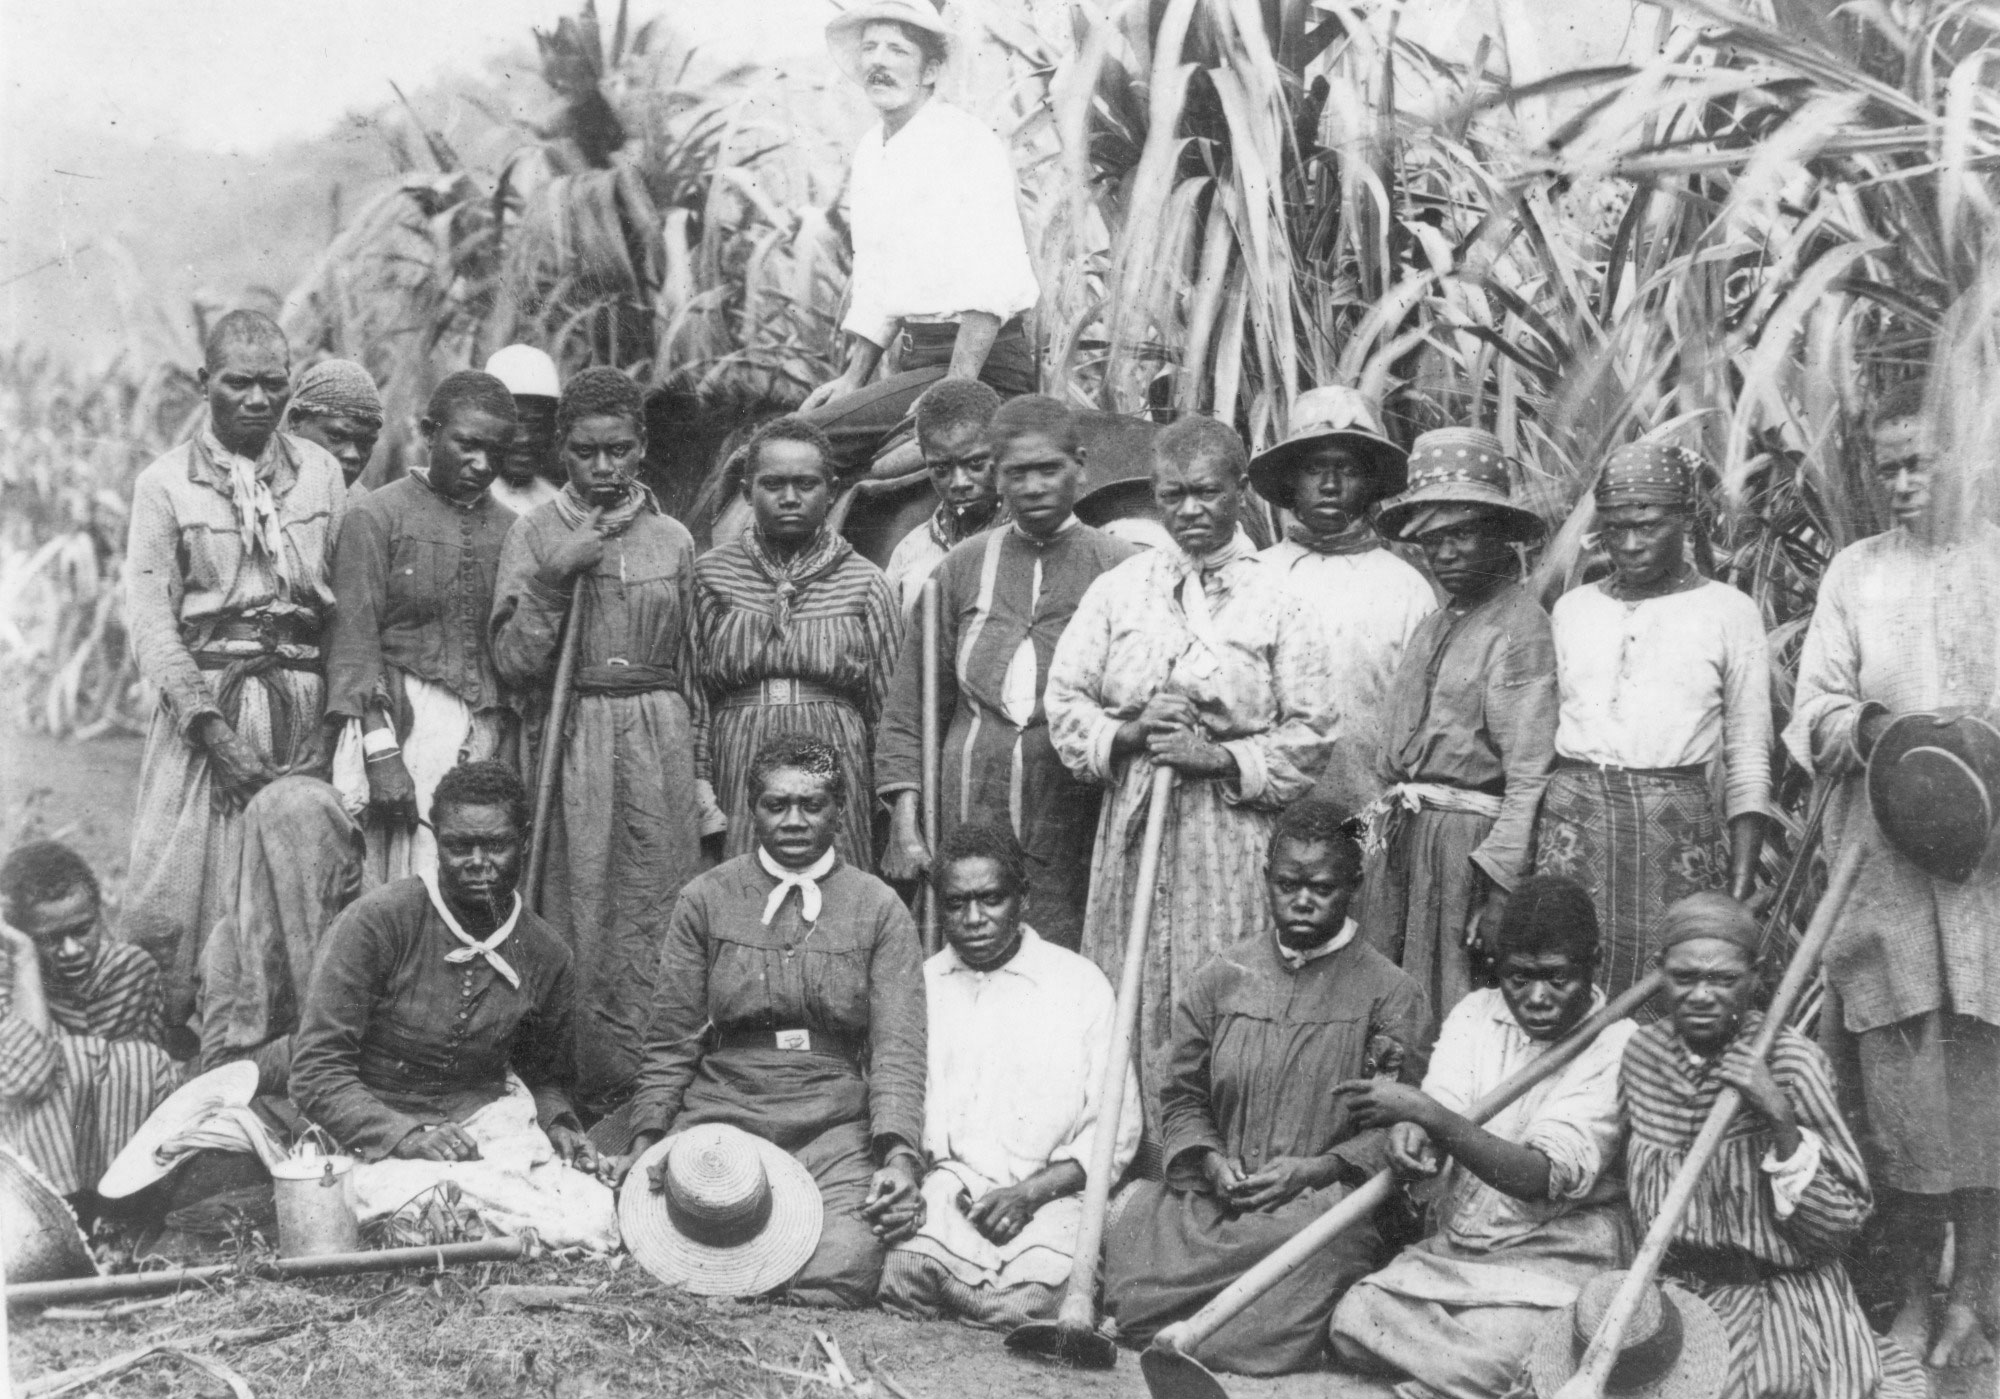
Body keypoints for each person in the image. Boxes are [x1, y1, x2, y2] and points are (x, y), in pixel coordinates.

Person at [1785, 376, 2000, 1368]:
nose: (1905, 484)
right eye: (1889, 468)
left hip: (1985, 880)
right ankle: (1914, 1297)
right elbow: (1813, 706)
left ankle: (1975, 1292)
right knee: (1903, 1092)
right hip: (1882, 880)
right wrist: (1873, 728)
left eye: (1923, 464)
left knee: (1983, 1086)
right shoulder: (1853, 573)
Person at [1047, 415, 1335, 1126]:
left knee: (1224, 986)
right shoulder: (1122, 590)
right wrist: (1131, 731)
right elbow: (1065, 700)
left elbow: (1314, 729)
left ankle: (1219, 1152)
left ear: (1241, 490)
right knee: (1132, 984)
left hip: (1231, 833)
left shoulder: (1281, 598)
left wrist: (1218, 757)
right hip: (1136, 824)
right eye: (1173, 495)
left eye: (1207, 492)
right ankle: (1129, 1159)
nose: (1191, 511)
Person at [1101, 798, 1430, 1375]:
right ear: (1266, 880)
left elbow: (1397, 1124)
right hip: (1219, 1197)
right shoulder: (1223, 977)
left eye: (1322, 887)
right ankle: (1180, 1316)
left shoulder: (1390, 992)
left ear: (1353, 884)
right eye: (1287, 884)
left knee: (1313, 1259)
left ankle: (1201, 1330)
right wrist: (1207, 1160)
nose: (1302, 900)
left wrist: (1318, 1169)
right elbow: (1181, 1094)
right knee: (1138, 1227)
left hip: (1321, 1204)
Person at [608, 734, 927, 1308]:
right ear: (751, 809)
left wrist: (899, 1156)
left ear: (839, 810)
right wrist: (648, 1137)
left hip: (833, 1121)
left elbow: (898, 1049)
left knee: (839, 1272)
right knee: (661, 1245)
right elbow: (671, 1037)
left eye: (812, 804)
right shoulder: (706, 897)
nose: (794, 820)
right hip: (726, 1109)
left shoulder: (878, 907)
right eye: (776, 805)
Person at [491, 367, 718, 1118]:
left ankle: (658, 1081)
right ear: (563, 448)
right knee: (579, 901)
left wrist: (701, 776)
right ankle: (577, 1082)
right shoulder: (534, 533)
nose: (604, 468)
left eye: (619, 450)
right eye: (586, 452)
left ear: (642, 447)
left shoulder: (674, 538)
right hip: (575, 730)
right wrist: (558, 575)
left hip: (659, 730)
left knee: (659, 898)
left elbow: (694, 666)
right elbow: (515, 662)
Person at [119, 310, 348, 1050]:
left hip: (304, 705)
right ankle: (183, 1050)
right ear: (203, 383)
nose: (256, 399)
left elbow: (343, 606)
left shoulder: (320, 472)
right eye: (236, 383)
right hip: (209, 709)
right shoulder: (163, 485)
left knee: (299, 877)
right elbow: (151, 619)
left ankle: (286, 1050)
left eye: (272, 384)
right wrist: (212, 733)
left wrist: (329, 727)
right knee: (184, 886)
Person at [1328, 876, 1637, 1399]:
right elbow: (1440, 1106)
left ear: (1594, 962)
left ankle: (1459, 1375)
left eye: (1556, 978)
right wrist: (1411, 1131)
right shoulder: (1475, 1013)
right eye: (1519, 978)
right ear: (1498, 967)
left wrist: (1426, 1114)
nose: (1537, 997)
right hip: (1459, 1250)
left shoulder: (1620, 1044)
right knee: (1354, 1318)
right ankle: (1475, 1378)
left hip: (1556, 1258)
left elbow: (1538, 1177)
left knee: (1517, 1346)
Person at [288, 760, 617, 1250]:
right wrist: (405, 1133)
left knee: (590, 1215)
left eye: (497, 845)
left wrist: (559, 1123)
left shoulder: (546, 953)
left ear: (524, 843)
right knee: (402, 1200)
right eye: (459, 846)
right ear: (436, 841)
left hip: (486, 1130)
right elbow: (316, 1070)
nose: (477, 861)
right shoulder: (378, 923)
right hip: (373, 1127)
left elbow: (542, 1075)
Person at [1618, 893, 1926, 1399]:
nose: (1701, 996)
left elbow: (1838, 1228)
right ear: (1659, 972)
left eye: (1723, 980)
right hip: (1675, 1295)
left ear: (1756, 978)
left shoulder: (1790, 1064)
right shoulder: (1643, 1055)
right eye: (1685, 977)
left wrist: (1779, 1118)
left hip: (1776, 1297)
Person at [876, 396, 1137, 949]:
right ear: (998, 476)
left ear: (1081, 467)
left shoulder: (1123, 568)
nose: (1034, 486)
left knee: (1068, 952)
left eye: (1050, 469)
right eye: (1018, 473)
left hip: (1073, 809)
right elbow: (909, 707)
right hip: (969, 802)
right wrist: (905, 823)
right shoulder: (960, 567)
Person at [878, 823, 1141, 1327]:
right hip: (955, 1188)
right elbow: (904, 1101)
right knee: (905, 1271)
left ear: (1023, 898)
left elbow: (1117, 1126)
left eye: (991, 899)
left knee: (1039, 1296)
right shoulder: (924, 983)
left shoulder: (1079, 984)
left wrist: (1029, 1195)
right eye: (956, 904)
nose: (974, 919)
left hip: (1051, 1193)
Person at [1534, 443, 1770, 1000]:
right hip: (1575, 828)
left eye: (1649, 525)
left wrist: (1738, 883)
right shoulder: (1574, 610)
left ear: (1685, 521)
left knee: (1677, 995)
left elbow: (1749, 752)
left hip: (1677, 835)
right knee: (1566, 982)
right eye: (1615, 529)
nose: (1631, 544)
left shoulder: (1728, 611)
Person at [797, 1, 1039, 474]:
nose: (877, 62)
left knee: (806, 448)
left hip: (980, 368)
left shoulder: (963, 142)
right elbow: (878, 279)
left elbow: (989, 283)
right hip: (918, 363)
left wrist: (954, 396)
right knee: (804, 433)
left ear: (930, 70)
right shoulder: (873, 150)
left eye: (896, 50)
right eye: (869, 48)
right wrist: (853, 377)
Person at [1364, 429, 1557, 1021]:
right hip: (1406, 838)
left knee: (1452, 997)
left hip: (1464, 850)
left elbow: (1529, 776)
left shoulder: (1518, 628)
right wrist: (1359, 848)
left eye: (1463, 534)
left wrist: (1500, 892)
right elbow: (1391, 773)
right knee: (1389, 993)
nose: (1445, 554)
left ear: (1500, 534)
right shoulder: (1435, 623)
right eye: (1432, 540)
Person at [326, 371, 519, 883]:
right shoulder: (376, 516)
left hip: (483, 732)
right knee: (394, 879)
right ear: (430, 433)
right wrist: (381, 754)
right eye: (467, 445)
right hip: (400, 727)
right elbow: (355, 643)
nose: (482, 465)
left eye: (496, 452)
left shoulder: (514, 531)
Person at [694, 417, 901, 868]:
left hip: (835, 758)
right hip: (739, 757)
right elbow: (693, 698)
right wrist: (700, 780)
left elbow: (887, 711)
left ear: (831, 489)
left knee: (835, 895)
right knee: (744, 894)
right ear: (747, 492)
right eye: (773, 484)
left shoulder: (865, 582)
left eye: (806, 484)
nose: (789, 498)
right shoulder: (711, 575)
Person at [1250, 387, 1435, 812]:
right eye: (1315, 469)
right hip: (1262, 812)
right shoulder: (1252, 577)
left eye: (1348, 470)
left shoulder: (1405, 589)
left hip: (1368, 813)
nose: (1330, 485)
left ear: (1371, 484)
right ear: (1291, 481)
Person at [0, 842, 180, 1203]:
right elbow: (26, 1079)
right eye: (49, 939)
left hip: (114, 1164)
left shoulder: (129, 972)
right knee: (63, 1064)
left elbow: (143, 1080)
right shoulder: (8, 980)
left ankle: (123, 1211)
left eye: (82, 930)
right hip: (25, 1170)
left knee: (138, 1060)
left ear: (101, 914)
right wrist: (24, 960)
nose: (70, 950)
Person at [194, 776, 366, 1089]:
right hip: (281, 1095)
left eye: (353, 843)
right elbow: (219, 1069)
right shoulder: (233, 943)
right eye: (327, 848)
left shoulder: (370, 919)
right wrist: (320, 1047)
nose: (352, 863)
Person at [880, 378, 1006, 615]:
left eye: (975, 464)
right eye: (941, 469)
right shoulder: (910, 551)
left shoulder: (1034, 538)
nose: (959, 483)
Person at [484, 344, 564, 517]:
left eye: (537, 424)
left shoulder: (557, 505)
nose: (525, 438)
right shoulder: (462, 500)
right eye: (514, 423)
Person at [282, 358, 384, 491]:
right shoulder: (256, 489)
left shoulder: (362, 505)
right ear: (295, 420)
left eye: (365, 444)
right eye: (336, 437)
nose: (352, 455)